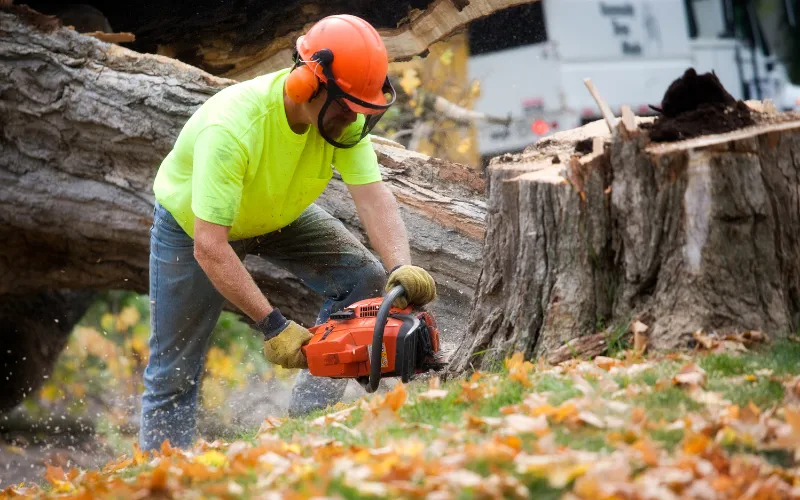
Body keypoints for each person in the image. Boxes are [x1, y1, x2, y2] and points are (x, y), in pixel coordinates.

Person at [139, 14, 437, 451]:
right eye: (346, 108)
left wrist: (401, 267)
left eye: (361, 110)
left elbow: (374, 198)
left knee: (363, 278)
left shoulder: (342, 119)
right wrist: (274, 326)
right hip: (194, 230)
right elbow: (210, 247)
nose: (353, 120)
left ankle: (307, 429)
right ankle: (160, 476)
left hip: (276, 215)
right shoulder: (232, 129)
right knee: (174, 373)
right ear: (306, 85)